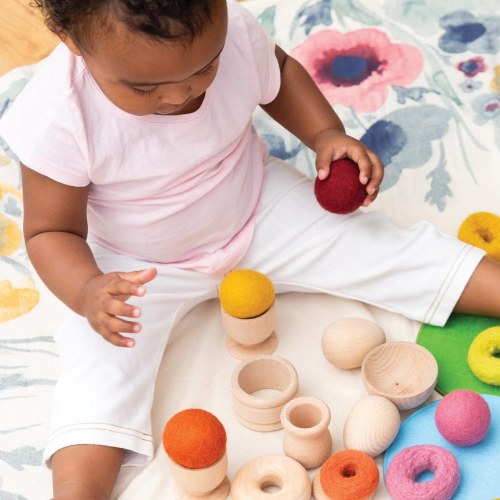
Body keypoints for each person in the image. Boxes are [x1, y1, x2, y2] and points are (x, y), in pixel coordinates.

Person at [0, 0, 499, 498]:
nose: (182, 93)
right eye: (144, 88)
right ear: (71, 40)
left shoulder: (234, 31)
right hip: (136, 265)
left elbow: (279, 72)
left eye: (206, 67)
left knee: (382, 248)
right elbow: (51, 232)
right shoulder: (58, 115)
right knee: (98, 371)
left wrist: (326, 133)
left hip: (257, 207)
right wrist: (89, 290)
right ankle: (77, 490)